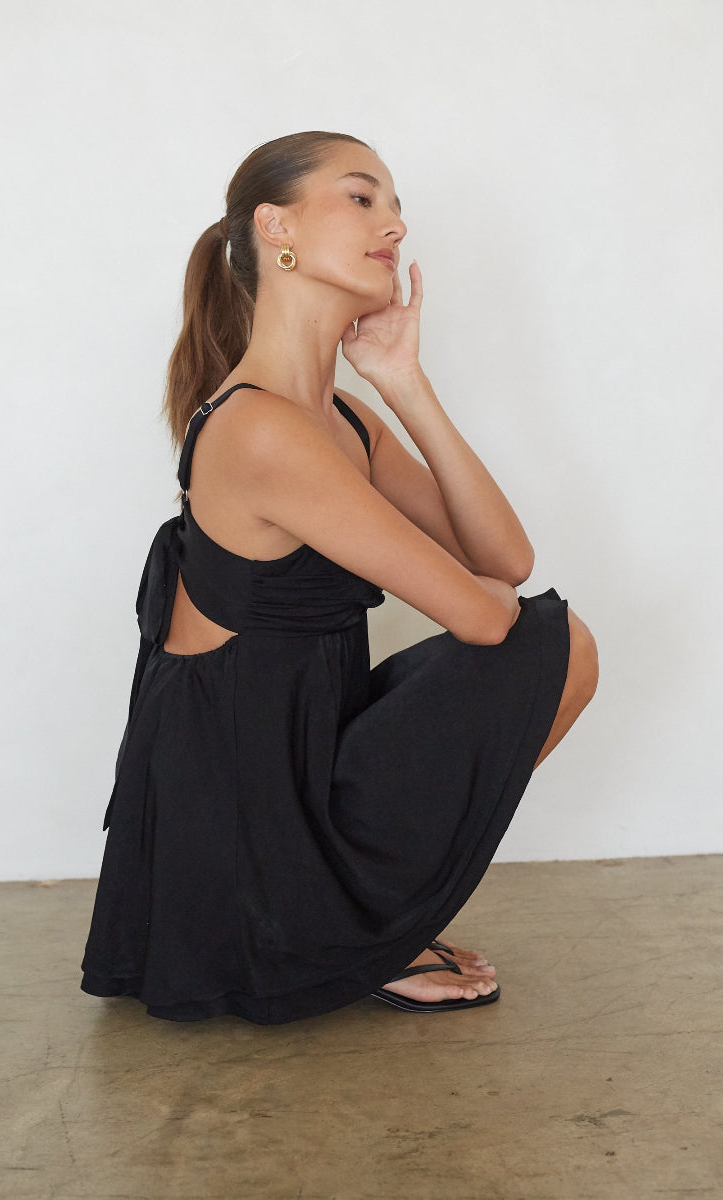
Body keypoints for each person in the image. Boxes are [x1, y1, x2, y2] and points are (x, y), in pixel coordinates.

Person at [80, 131, 598, 1025]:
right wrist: (492, 602)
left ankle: (362, 923)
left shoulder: (339, 418)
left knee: (552, 638)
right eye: (362, 199)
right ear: (275, 226)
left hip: (302, 755)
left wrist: (402, 379)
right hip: (244, 810)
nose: (393, 224)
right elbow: (483, 617)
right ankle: (357, 935)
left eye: (396, 205)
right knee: (547, 642)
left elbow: (506, 560)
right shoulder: (262, 431)